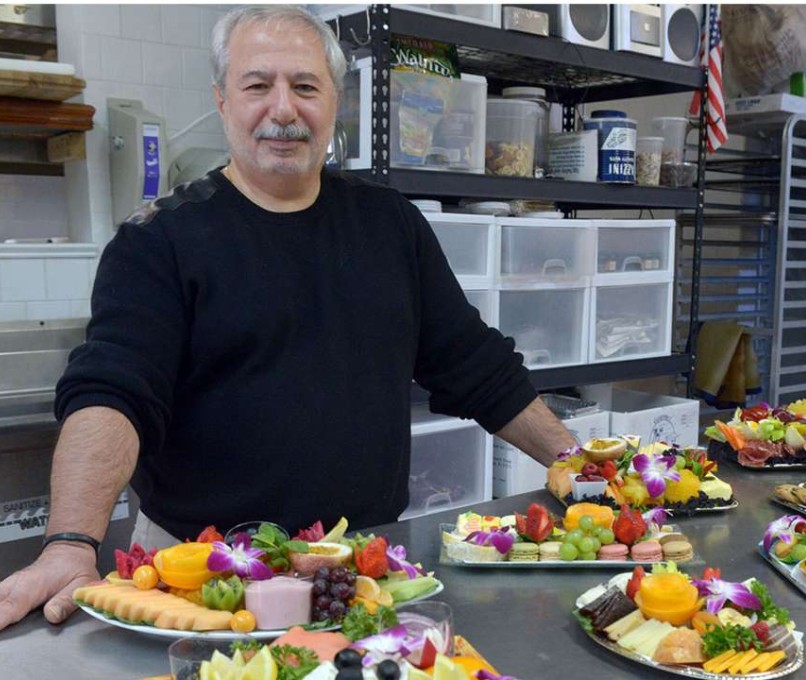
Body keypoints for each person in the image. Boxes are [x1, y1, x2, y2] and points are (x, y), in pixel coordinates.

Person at [0, 6, 575, 632]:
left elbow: (476, 366)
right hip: (203, 580)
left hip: (360, 571)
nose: (282, 110)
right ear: (222, 101)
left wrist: (584, 466)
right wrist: (70, 543)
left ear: (335, 102)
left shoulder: (390, 226)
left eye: (304, 86)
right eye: (257, 86)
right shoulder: (158, 241)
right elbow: (113, 391)